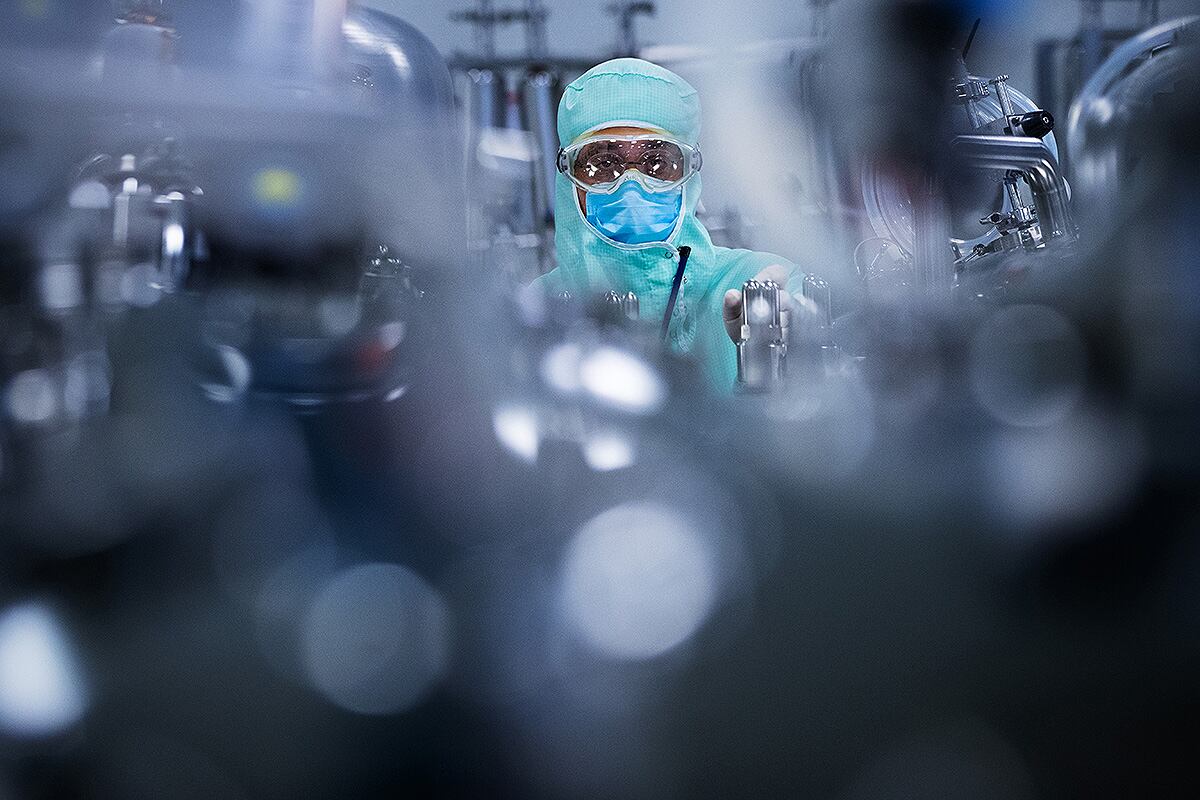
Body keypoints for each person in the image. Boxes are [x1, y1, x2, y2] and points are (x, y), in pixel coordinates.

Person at [533, 57, 804, 389]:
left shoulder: (756, 285)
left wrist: (770, 356)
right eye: (603, 163)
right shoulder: (539, 311)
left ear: (688, 175)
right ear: (568, 177)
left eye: (658, 162)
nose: (630, 185)